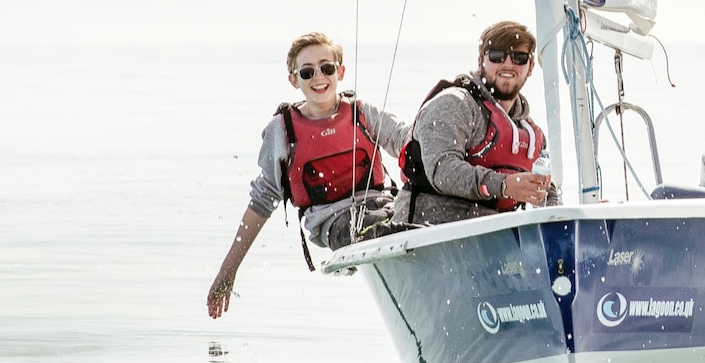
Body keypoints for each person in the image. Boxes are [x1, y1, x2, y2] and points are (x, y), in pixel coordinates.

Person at [206, 32, 410, 318]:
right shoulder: (282, 131)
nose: (318, 77)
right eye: (307, 71)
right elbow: (262, 202)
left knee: (422, 216)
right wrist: (228, 271)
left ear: (340, 71)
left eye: (326, 68)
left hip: (384, 205)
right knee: (383, 230)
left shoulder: (363, 113)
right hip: (333, 221)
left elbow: (408, 140)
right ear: (294, 80)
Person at [390, 20, 558, 227]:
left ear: (531, 66)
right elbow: (443, 171)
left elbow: (546, 192)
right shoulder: (453, 104)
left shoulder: (531, 134)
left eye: (519, 57)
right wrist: (504, 185)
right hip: (430, 228)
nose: (507, 64)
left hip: (494, 234)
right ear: (481, 61)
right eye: (497, 56)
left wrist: (574, 218)